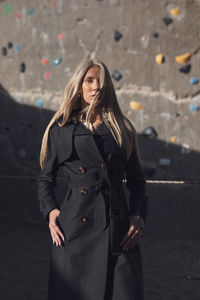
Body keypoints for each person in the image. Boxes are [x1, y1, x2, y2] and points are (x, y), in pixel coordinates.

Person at [37, 58, 148, 300]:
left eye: (101, 82)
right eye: (89, 80)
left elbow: (138, 182)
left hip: (118, 232)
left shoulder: (122, 128)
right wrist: (51, 211)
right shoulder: (61, 128)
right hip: (74, 231)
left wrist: (138, 216)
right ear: (79, 85)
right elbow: (45, 179)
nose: (95, 87)